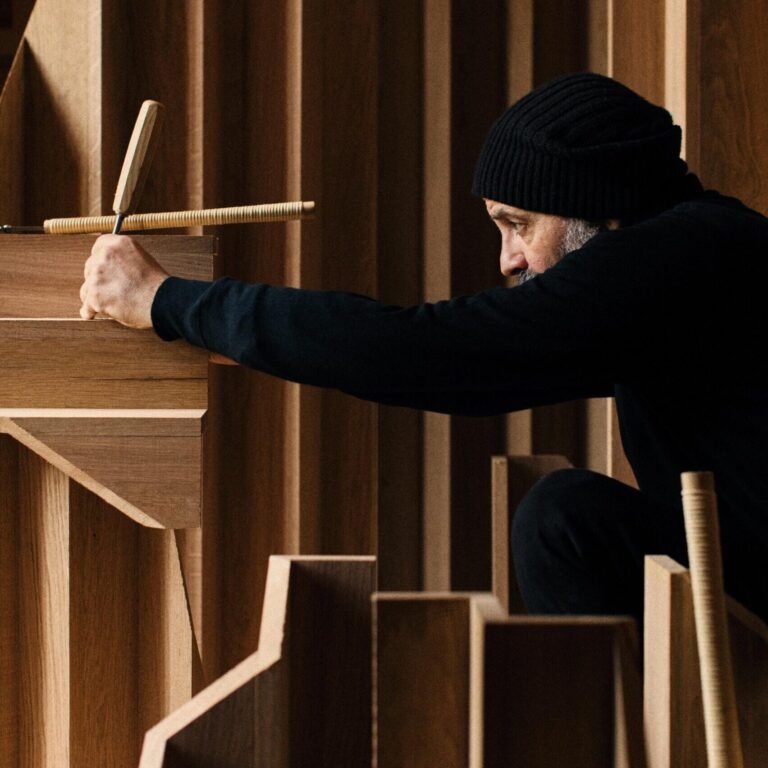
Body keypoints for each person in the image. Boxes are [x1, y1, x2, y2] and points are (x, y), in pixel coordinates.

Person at [79, 72, 768, 626]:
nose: (508, 260)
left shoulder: (681, 258)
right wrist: (202, 327)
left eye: (519, 224)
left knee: (562, 520)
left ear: (601, 210)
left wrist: (167, 299)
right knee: (568, 521)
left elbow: (429, 350)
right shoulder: (702, 250)